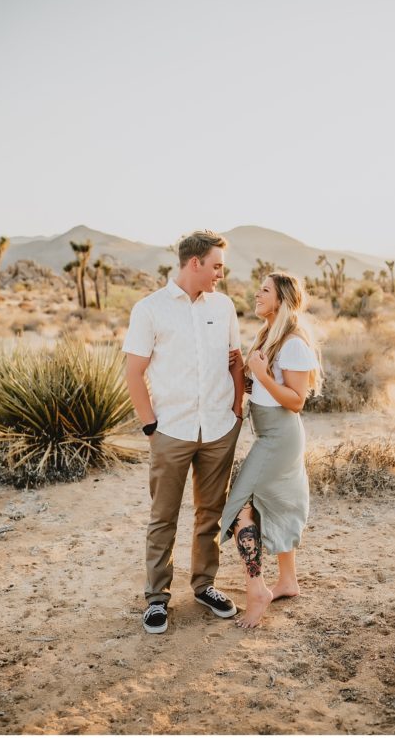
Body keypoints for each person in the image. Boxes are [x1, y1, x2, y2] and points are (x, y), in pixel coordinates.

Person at [124, 230, 245, 634]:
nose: (220, 275)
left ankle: (204, 585)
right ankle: (157, 598)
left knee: (211, 513)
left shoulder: (224, 306)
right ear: (195, 264)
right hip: (171, 429)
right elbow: (134, 372)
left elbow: (235, 360)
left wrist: (236, 410)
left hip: (217, 427)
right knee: (164, 517)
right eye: (216, 267)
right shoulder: (150, 310)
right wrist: (150, 426)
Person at [220, 273, 322, 628]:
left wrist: (260, 376)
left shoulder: (293, 343)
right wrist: (244, 374)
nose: (257, 294)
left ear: (281, 299)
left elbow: (296, 401)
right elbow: (262, 388)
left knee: (238, 508)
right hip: (269, 433)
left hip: (280, 436)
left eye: (264, 290)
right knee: (276, 503)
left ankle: (257, 590)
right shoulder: (270, 335)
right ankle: (288, 581)